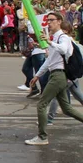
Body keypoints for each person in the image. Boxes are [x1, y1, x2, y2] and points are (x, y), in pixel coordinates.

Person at [25, 12, 83, 145]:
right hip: (56, 75)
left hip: (59, 76)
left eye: (51, 20)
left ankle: (42, 137)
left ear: (59, 21)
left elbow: (64, 50)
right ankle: (42, 137)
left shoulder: (64, 38)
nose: (48, 23)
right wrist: (37, 75)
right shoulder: (54, 39)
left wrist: (49, 42)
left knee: (42, 104)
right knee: (67, 108)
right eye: (48, 20)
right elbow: (49, 61)